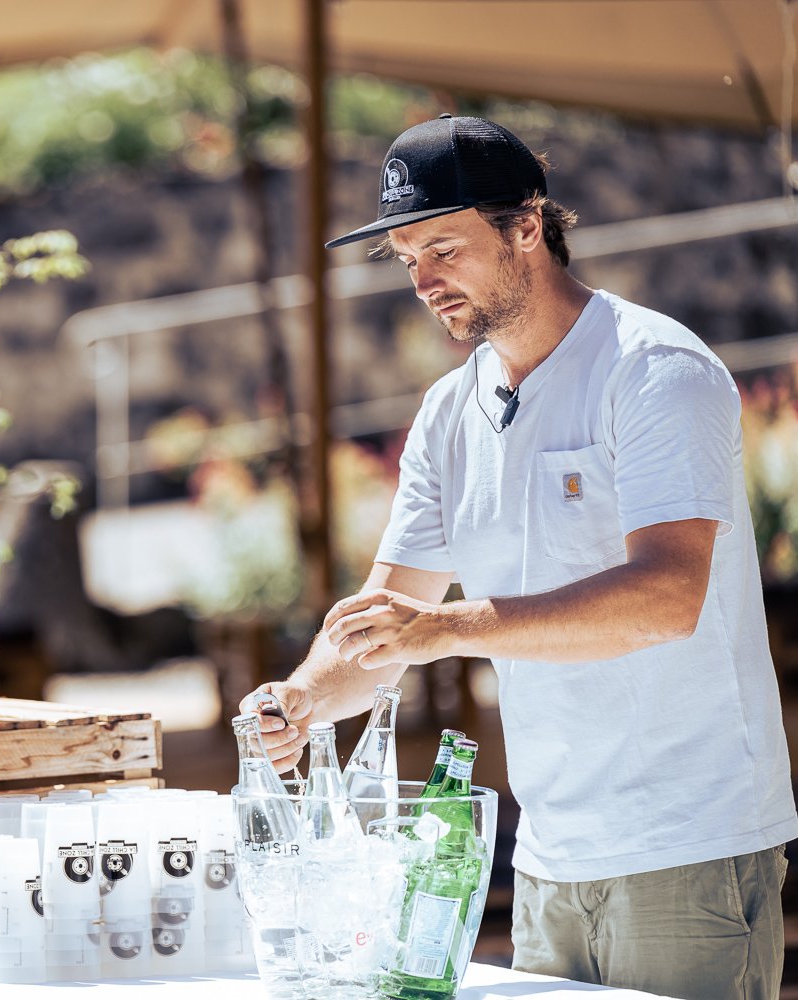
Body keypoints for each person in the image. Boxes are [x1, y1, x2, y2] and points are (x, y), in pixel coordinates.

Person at [244, 114, 796, 999]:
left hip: (690, 841)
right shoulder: (446, 413)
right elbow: (384, 626)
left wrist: (447, 629)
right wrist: (301, 702)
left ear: (527, 226)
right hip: (544, 857)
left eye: (443, 249)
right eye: (405, 259)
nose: (423, 281)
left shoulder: (653, 369)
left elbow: (666, 599)